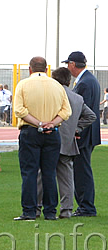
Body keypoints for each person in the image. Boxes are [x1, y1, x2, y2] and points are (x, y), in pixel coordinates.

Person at [12, 56, 71, 221]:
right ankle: (50, 212)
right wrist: (51, 124)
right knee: (49, 173)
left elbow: (19, 110)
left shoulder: (23, 85)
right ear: (47, 69)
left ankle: (29, 211)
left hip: (30, 131)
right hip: (52, 133)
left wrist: (39, 123)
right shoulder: (57, 86)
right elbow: (66, 112)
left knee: (30, 173)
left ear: (30, 69)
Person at [36, 67, 96, 219]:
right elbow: (91, 116)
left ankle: (37, 208)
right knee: (67, 178)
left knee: (42, 176)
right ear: (69, 81)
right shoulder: (77, 98)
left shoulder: (49, 95)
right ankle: (67, 210)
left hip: (49, 140)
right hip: (68, 143)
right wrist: (76, 129)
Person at [64, 51, 101, 217]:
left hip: (83, 134)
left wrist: (76, 129)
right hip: (88, 133)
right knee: (82, 170)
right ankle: (85, 206)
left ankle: (86, 207)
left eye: (68, 64)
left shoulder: (85, 83)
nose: (67, 68)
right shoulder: (89, 80)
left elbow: (80, 110)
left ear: (73, 64)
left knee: (81, 171)